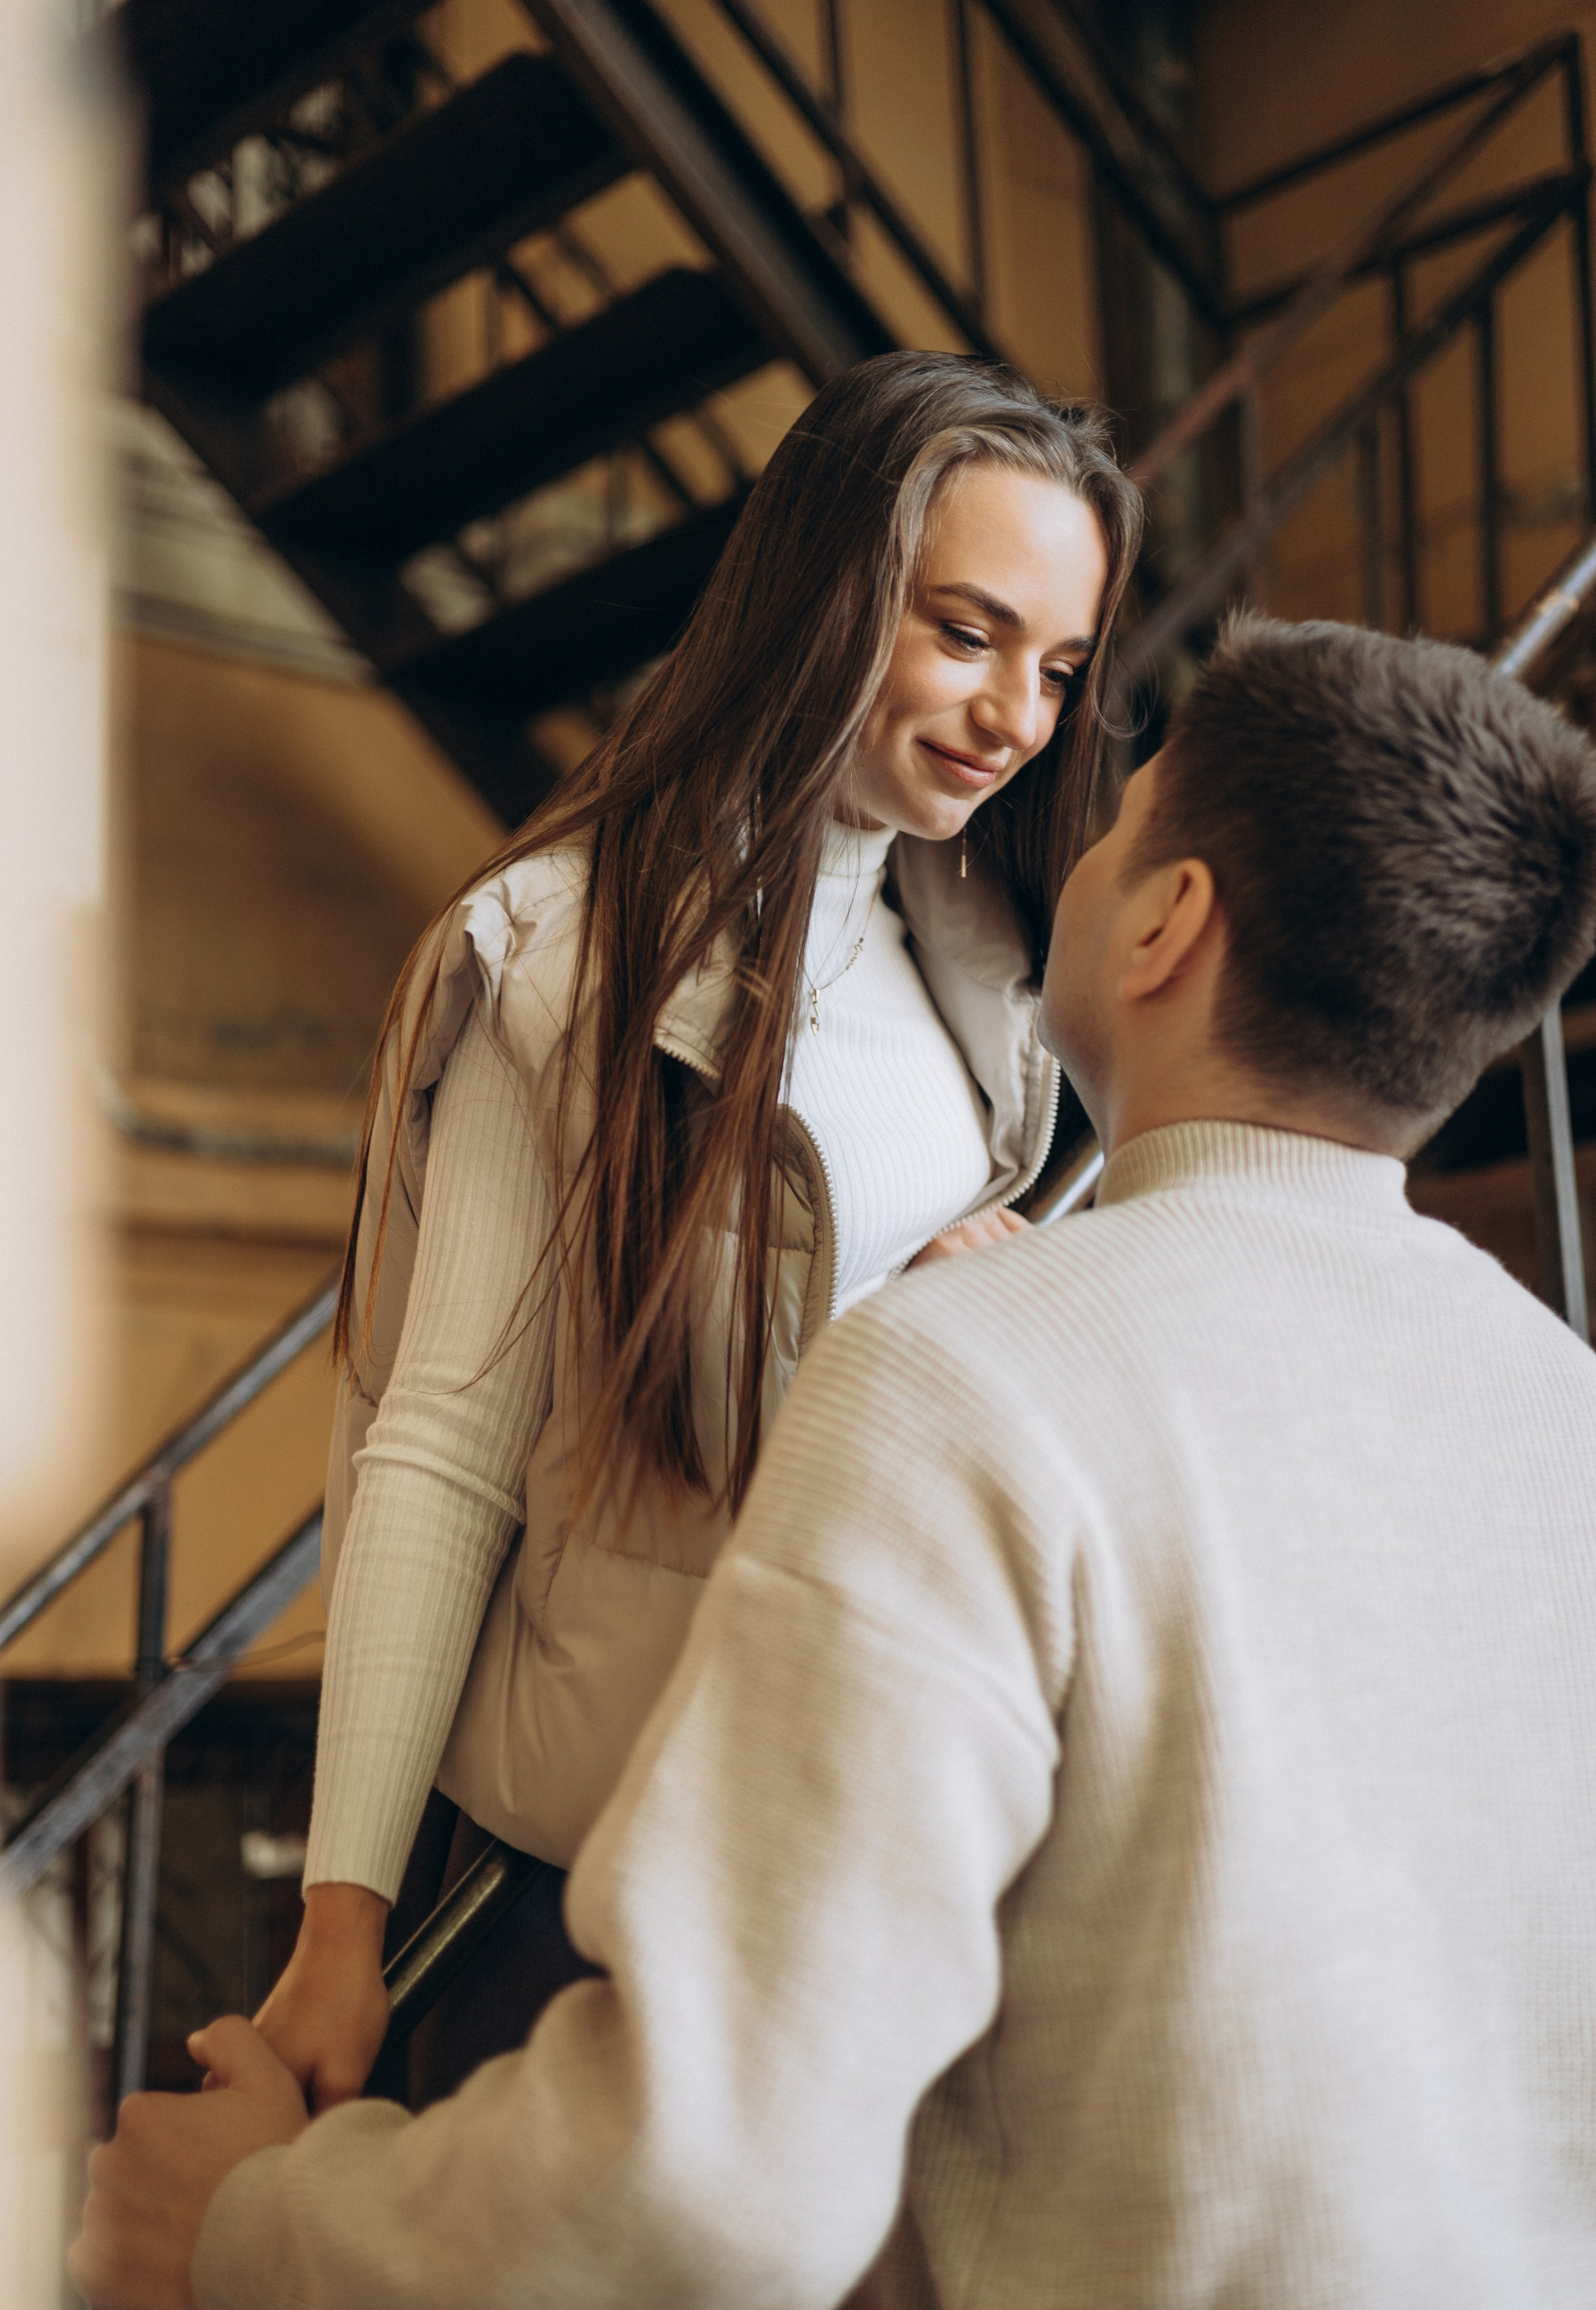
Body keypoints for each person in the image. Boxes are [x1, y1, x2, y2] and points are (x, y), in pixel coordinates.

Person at [73, 613, 1596, 2310]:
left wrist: (254, 2225)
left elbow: (705, 2192)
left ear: (1169, 922)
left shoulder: (967, 1387)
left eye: (1116, 820)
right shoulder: (1566, 1420)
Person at [254, 350, 1143, 2110]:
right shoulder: (563, 959)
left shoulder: (1002, 975)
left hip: (886, 1853)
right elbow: (441, 1445)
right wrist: (340, 1932)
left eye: (1056, 667)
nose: (1015, 717)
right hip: (601, 1878)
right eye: (964, 634)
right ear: (825, 597)